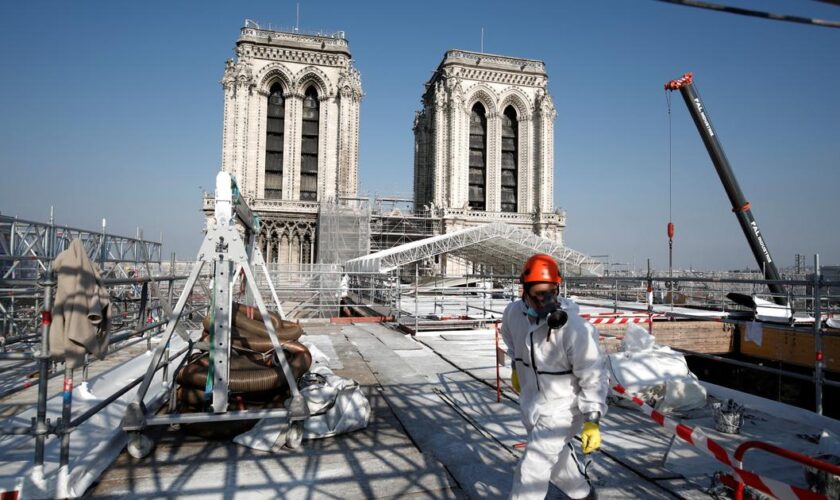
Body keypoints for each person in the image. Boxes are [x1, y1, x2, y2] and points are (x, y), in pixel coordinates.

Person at [501, 254, 608, 500]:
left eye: (549, 293)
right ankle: (583, 494)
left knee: (532, 470)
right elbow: (510, 340)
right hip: (532, 403)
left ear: (558, 289)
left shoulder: (575, 329)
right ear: (524, 291)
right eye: (538, 293)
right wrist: (517, 368)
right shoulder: (513, 314)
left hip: (564, 408)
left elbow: (593, 376)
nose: (544, 300)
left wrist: (592, 419)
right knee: (557, 463)